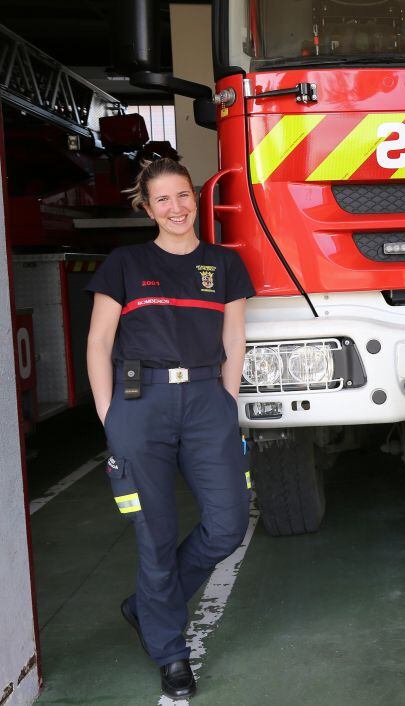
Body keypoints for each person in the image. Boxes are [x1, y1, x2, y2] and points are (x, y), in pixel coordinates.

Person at [85, 158, 255, 697]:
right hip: (142, 403)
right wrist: (109, 415)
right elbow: (99, 343)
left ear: (195, 198)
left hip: (208, 400)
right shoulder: (124, 264)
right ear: (146, 206)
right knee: (154, 536)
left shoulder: (224, 265)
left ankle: (148, 608)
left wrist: (226, 400)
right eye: (163, 200)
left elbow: (235, 340)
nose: (176, 208)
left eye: (183, 196)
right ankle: (170, 652)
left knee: (228, 524)